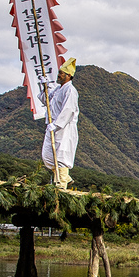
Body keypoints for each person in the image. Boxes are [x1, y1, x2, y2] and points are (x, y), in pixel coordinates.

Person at [41, 58, 80, 189]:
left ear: (68, 75)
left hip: (64, 128)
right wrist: (44, 87)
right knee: (48, 156)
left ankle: (61, 184)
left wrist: (57, 124)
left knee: (61, 156)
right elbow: (45, 100)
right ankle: (66, 178)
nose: (59, 75)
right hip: (52, 126)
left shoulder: (71, 91)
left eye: (61, 73)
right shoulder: (58, 89)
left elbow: (69, 109)